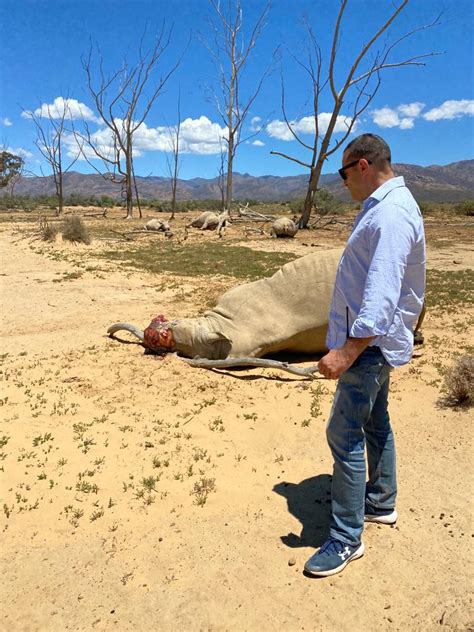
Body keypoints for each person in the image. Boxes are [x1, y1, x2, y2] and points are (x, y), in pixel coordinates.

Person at [304, 134, 426, 577]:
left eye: (342, 173)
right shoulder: (384, 205)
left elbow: (382, 293)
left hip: (368, 345)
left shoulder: (391, 213)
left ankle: (345, 537)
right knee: (376, 421)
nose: (343, 184)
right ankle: (380, 503)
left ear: (361, 166)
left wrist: (345, 352)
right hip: (376, 342)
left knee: (344, 433)